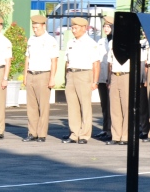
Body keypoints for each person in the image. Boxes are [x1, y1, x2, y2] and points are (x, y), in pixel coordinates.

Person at [62, 17, 99, 144]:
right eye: (72, 27)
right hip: (71, 74)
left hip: (84, 74)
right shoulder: (70, 42)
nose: (73, 30)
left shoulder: (90, 43)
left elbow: (96, 63)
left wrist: (95, 81)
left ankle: (84, 135)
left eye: (76, 28)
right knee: (72, 106)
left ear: (84, 28)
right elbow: (67, 62)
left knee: (85, 106)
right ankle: (74, 133)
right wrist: (66, 77)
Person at [22, 14, 56, 143]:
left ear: (43, 26)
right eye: (33, 27)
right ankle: (32, 132)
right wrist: (25, 75)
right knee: (31, 107)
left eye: (37, 27)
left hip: (43, 74)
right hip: (31, 74)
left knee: (43, 106)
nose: (35, 29)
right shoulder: (31, 40)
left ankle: (41, 134)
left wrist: (52, 78)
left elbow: (54, 60)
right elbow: (27, 58)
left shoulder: (50, 40)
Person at [106, 27, 133, 146]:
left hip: (127, 75)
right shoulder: (112, 42)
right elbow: (110, 62)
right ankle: (116, 135)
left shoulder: (131, 41)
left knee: (126, 107)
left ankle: (126, 136)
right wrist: (109, 78)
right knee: (115, 107)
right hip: (114, 75)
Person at [95, 17, 113, 140]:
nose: (106, 28)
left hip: (111, 76)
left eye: (109, 26)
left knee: (112, 104)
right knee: (104, 104)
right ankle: (105, 128)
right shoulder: (101, 41)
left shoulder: (115, 41)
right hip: (102, 76)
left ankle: (112, 129)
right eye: (104, 26)